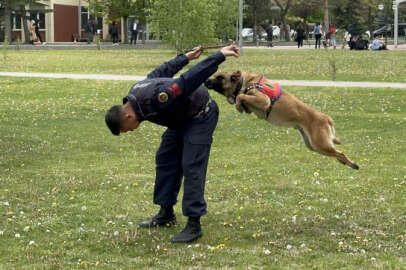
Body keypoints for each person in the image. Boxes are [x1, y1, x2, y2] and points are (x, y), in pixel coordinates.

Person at [105, 44, 240, 243]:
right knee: (166, 158)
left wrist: (218, 56)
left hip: (201, 115)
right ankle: (166, 213)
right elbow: (162, 71)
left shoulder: (158, 99)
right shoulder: (135, 92)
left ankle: (194, 224)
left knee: (192, 164)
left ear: (127, 115)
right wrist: (185, 57)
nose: (131, 130)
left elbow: (189, 80)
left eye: (127, 128)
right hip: (180, 119)